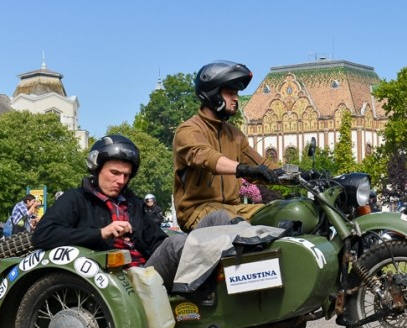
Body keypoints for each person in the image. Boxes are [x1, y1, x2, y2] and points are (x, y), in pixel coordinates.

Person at [32, 134, 227, 291]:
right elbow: (42, 235)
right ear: (96, 169)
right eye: (115, 173)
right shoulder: (75, 199)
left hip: (149, 268)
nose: (121, 180)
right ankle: (210, 285)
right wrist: (101, 233)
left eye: (126, 175)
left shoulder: (133, 203)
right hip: (121, 279)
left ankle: (238, 266)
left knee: (219, 218)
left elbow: (157, 240)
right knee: (175, 243)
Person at [173, 60, 280, 232]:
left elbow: (263, 166)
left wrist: (301, 175)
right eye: (230, 93)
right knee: (234, 224)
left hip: (234, 208)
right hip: (198, 210)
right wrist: (244, 169)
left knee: (286, 212)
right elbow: (206, 157)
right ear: (213, 94)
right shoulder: (188, 130)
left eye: (236, 93)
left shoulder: (234, 134)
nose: (236, 98)